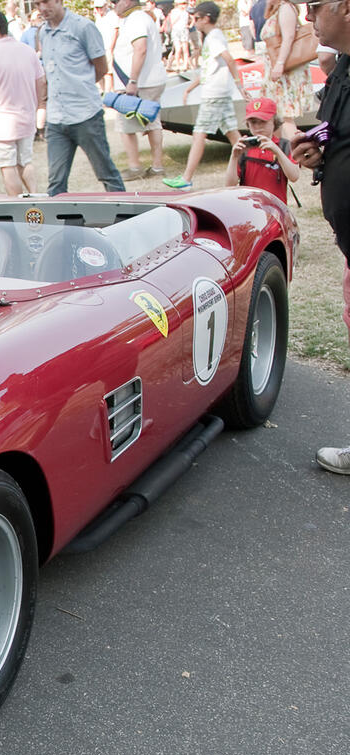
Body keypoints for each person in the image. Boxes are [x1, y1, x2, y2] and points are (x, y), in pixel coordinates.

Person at [292, 0, 350, 473]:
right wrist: (318, 148)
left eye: (315, 6)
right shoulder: (341, 68)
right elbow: (337, 129)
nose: (308, 17)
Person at [35, 0, 125, 195]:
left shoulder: (83, 27)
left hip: (86, 115)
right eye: (37, 4)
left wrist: (81, 86)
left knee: (106, 173)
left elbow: (101, 67)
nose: (42, 8)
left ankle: (127, 219)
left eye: (45, 2)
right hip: (57, 118)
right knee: (56, 182)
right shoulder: (43, 32)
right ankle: (59, 225)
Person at [164, 2, 245, 189]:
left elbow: (230, 60)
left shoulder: (214, 37)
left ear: (206, 18)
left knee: (199, 133)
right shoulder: (212, 37)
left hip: (215, 93)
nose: (194, 21)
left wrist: (239, 84)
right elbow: (208, 69)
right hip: (219, 92)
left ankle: (186, 179)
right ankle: (252, 164)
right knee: (233, 134)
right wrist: (189, 88)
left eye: (197, 18)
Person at [0, 10, 46, 195]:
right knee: (25, 162)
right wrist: (39, 105)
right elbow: (41, 81)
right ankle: (36, 197)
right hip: (26, 117)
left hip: (0, 121)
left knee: (7, 166)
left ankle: (16, 204)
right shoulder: (27, 51)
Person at [113, 0, 168, 180]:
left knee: (125, 125)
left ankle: (135, 166)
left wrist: (133, 80)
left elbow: (140, 49)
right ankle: (156, 166)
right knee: (152, 123)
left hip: (140, 82)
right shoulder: (139, 17)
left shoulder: (136, 19)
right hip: (147, 80)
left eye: (116, 1)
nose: (114, 5)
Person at [223, 96, 299, 201]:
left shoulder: (284, 145)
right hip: (249, 207)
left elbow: (294, 176)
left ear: (274, 121)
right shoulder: (244, 148)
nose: (258, 126)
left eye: (263, 121)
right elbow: (229, 185)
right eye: (253, 122)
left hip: (276, 207)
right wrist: (234, 156)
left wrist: (276, 151)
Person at [261, 0, 316, 143]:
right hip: (275, 67)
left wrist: (280, 64)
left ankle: (295, 153)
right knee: (278, 115)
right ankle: (282, 152)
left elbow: (289, 38)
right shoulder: (276, 10)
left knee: (285, 115)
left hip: (285, 69)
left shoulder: (286, 7)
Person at [94, 0, 120, 92]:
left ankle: (109, 92)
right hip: (100, 47)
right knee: (99, 70)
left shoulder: (112, 15)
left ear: (105, 6)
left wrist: (111, 48)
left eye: (100, 7)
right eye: (97, 7)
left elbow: (116, 31)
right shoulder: (98, 17)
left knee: (108, 72)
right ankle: (103, 91)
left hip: (108, 47)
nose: (98, 9)